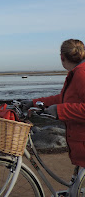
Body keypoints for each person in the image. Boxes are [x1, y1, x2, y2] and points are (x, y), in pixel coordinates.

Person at [22, 39, 85, 167]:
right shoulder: (76, 73)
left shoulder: (81, 74)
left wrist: (59, 110)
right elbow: (62, 99)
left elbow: (63, 104)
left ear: (62, 57)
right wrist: (33, 102)